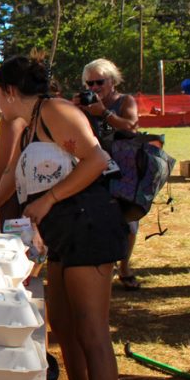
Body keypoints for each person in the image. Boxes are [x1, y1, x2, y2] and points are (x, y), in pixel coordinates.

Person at [0, 55, 128, 380]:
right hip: (64, 235)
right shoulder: (30, 124)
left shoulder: (56, 111)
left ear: (12, 91)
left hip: (88, 227)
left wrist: (48, 199)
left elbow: (97, 160)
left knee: (93, 332)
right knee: (65, 326)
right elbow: (11, 177)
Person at [75, 58, 141, 290]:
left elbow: (131, 126)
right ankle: (104, 265)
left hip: (124, 168)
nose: (93, 88)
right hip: (94, 168)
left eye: (98, 82)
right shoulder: (86, 103)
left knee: (129, 221)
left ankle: (124, 266)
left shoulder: (124, 100)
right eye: (89, 84)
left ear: (112, 81)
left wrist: (103, 113)